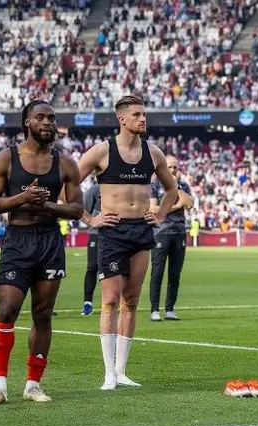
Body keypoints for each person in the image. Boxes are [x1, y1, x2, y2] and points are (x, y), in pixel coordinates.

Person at [0, 100, 83, 405]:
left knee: (42, 313)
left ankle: (33, 384)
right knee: (7, 308)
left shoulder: (65, 163)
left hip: (50, 241)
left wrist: (47, 204)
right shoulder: (7, 158)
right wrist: (23, 197)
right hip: (18, 239)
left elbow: (77, 209)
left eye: (51, 118)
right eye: (41, 117)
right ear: (27, 122)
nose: (48, 123)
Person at [77, 95, 180, 390]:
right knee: (109, 301)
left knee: (131, 301)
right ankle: (108, 373)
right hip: (112, 231)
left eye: (144, 114)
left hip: (141, 230)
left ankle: (122, 371)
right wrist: (89, 219)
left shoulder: (154, 152)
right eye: (137, 115)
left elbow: (171, 190)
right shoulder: (102, 151)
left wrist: (159, 215)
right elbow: (67, 186)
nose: (143, 119)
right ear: (122, 119)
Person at [149, 155, 194, 322]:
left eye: (175, 167)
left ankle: (169, 309)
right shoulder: (155, 185)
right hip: (161, 232)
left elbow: (189, 204)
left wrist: (176, 187)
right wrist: (176, 205)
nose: (173, 170)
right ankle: (154, 309)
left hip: (179, 232)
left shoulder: (183, 185)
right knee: (157, 272)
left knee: (175, 274)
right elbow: (153, 209)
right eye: (169, 167)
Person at [81, 181, 100, 315]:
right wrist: (93, 221)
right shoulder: (95, 189)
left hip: (117, 235)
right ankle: (87, 303)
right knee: (92, 267)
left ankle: (113, 302)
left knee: (115, 269)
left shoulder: (120, 186)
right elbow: (85, 210)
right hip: (97, 233)